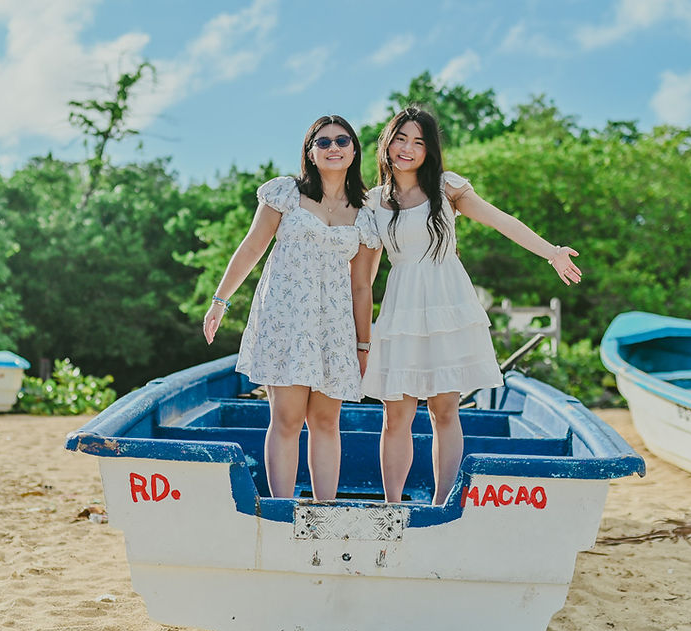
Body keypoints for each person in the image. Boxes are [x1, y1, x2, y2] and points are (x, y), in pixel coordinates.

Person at [351, 106, 582, 505]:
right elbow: (363, 280)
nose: (408, 148)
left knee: (445, 412)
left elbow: (501, 221)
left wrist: (552, 252)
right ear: (387, 143)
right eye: (401, 138)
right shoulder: (371, 203)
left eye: (419, 142)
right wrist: (361, 339)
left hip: (447, 303)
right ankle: (392, 508)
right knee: (396, 417)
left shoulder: (446, 188)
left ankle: (443, 504)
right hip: (401, 310)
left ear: (429, 151)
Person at [203, 115, 377, 501]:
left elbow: (362, 286)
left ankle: (324, 511)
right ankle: (281, 508)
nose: (334, 147)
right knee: (285, 418)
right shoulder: (285, 194)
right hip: (285, 319)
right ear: (310, 152)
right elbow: (252, 247)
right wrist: (220, 301)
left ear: (354, 151)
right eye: (324, 141)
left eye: (343, 140)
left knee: (326, 421)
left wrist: (363, 345)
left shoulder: (366, 215)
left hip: (334, 326)